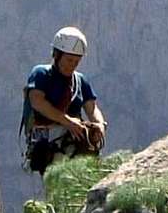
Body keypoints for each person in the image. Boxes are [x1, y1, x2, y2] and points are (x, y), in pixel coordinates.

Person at [22, 25, 107, 175]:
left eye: (76, 61)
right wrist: (67, 121)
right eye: (69, 60)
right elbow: (37, 101)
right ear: (57, 55)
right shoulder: (41, 74)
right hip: (48, 142)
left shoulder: (80, 81)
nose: (72, 65)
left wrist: (99, 124)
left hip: (74, 140)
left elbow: (92, 108)